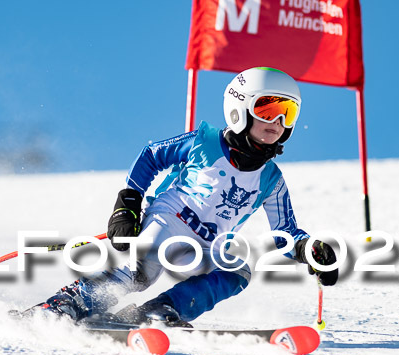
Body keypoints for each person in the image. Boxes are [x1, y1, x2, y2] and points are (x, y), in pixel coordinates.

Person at [26, 67, 338, 326]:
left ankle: (157, 312)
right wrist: (128, 204)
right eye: (267, 109)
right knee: (140, 274)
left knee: (237, 271)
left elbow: (285, 234)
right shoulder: (204, 144)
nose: (277, 122)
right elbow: (152, 155)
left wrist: (309, 249)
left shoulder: (272, 181)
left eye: (287, 112)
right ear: (239, 109)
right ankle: (66, 305)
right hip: (168, 220)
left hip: (205, 246)